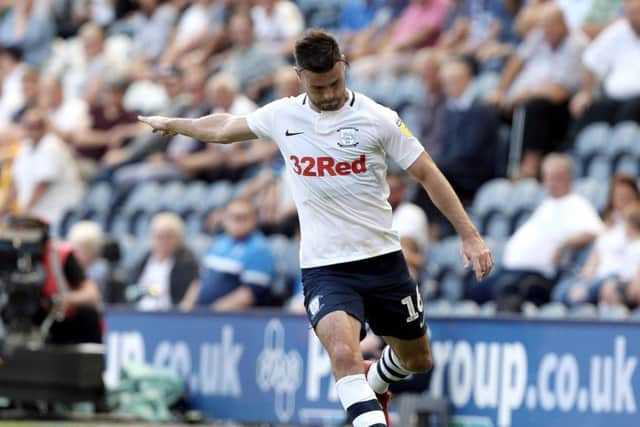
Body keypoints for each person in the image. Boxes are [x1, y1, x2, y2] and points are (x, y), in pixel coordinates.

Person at [139, 30, 493, 427]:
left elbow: (428, 173)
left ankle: (375, 381)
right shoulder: (284, 115)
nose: (327, 94)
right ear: (300, 75)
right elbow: (225, 127)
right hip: (326, 268)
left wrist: (470, 235)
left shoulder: (378, 119)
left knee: (417, 359)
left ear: (344, 66)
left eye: (334, 83)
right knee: (344, 354)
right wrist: (176, 123)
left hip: (382, 262)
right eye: (317, 86)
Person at [468, 154, 604, 309]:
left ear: (568, 178)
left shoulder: (577, 204)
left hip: (538, 276)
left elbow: (596, 231)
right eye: (548, 177)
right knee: (476, 288)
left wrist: (565, 245)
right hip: (511, 270)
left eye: (556, 177)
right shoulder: (546, 204)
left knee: (509, 289)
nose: (551, 183)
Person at [183, 198, 276, 311]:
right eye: (233, 217)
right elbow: (200, 281)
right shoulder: (219, 243)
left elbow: (250, 293)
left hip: (232, 320)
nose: (238, 222)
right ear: (225, 219)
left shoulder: (259, 249)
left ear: (254, 219)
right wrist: (186, 308)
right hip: (203, 316)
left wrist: (211, 313)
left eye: (243, 217)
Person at [0, 109, 84, 226]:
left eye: (37, 126)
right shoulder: (25, 146)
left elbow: (42, 185)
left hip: (62, 214)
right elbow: (15, 183)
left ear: (44, 127)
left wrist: (24, 212)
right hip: (39, 215)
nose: (33, 130)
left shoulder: (51, 145)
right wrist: (3, 211)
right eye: (29, 126)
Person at [128, 212, 199, 311]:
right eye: (159, 236)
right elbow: (131, 291)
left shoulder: (186, 262)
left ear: (179, 238)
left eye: (169, 236)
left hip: (169, 316)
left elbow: (185, 298)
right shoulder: (145, 259)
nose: (164, 241)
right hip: (140, 313)